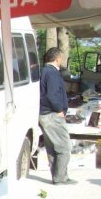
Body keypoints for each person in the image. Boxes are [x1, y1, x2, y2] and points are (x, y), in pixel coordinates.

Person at [38, 47, 75, 185]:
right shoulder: (52, 73)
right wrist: (59, 109)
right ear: (57, 59)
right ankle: (60, 178)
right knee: (64, 147)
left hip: (44, 113)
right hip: (51, 114)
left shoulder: (43, 71)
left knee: (53, 147)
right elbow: (52, 94)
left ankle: (57, 176)